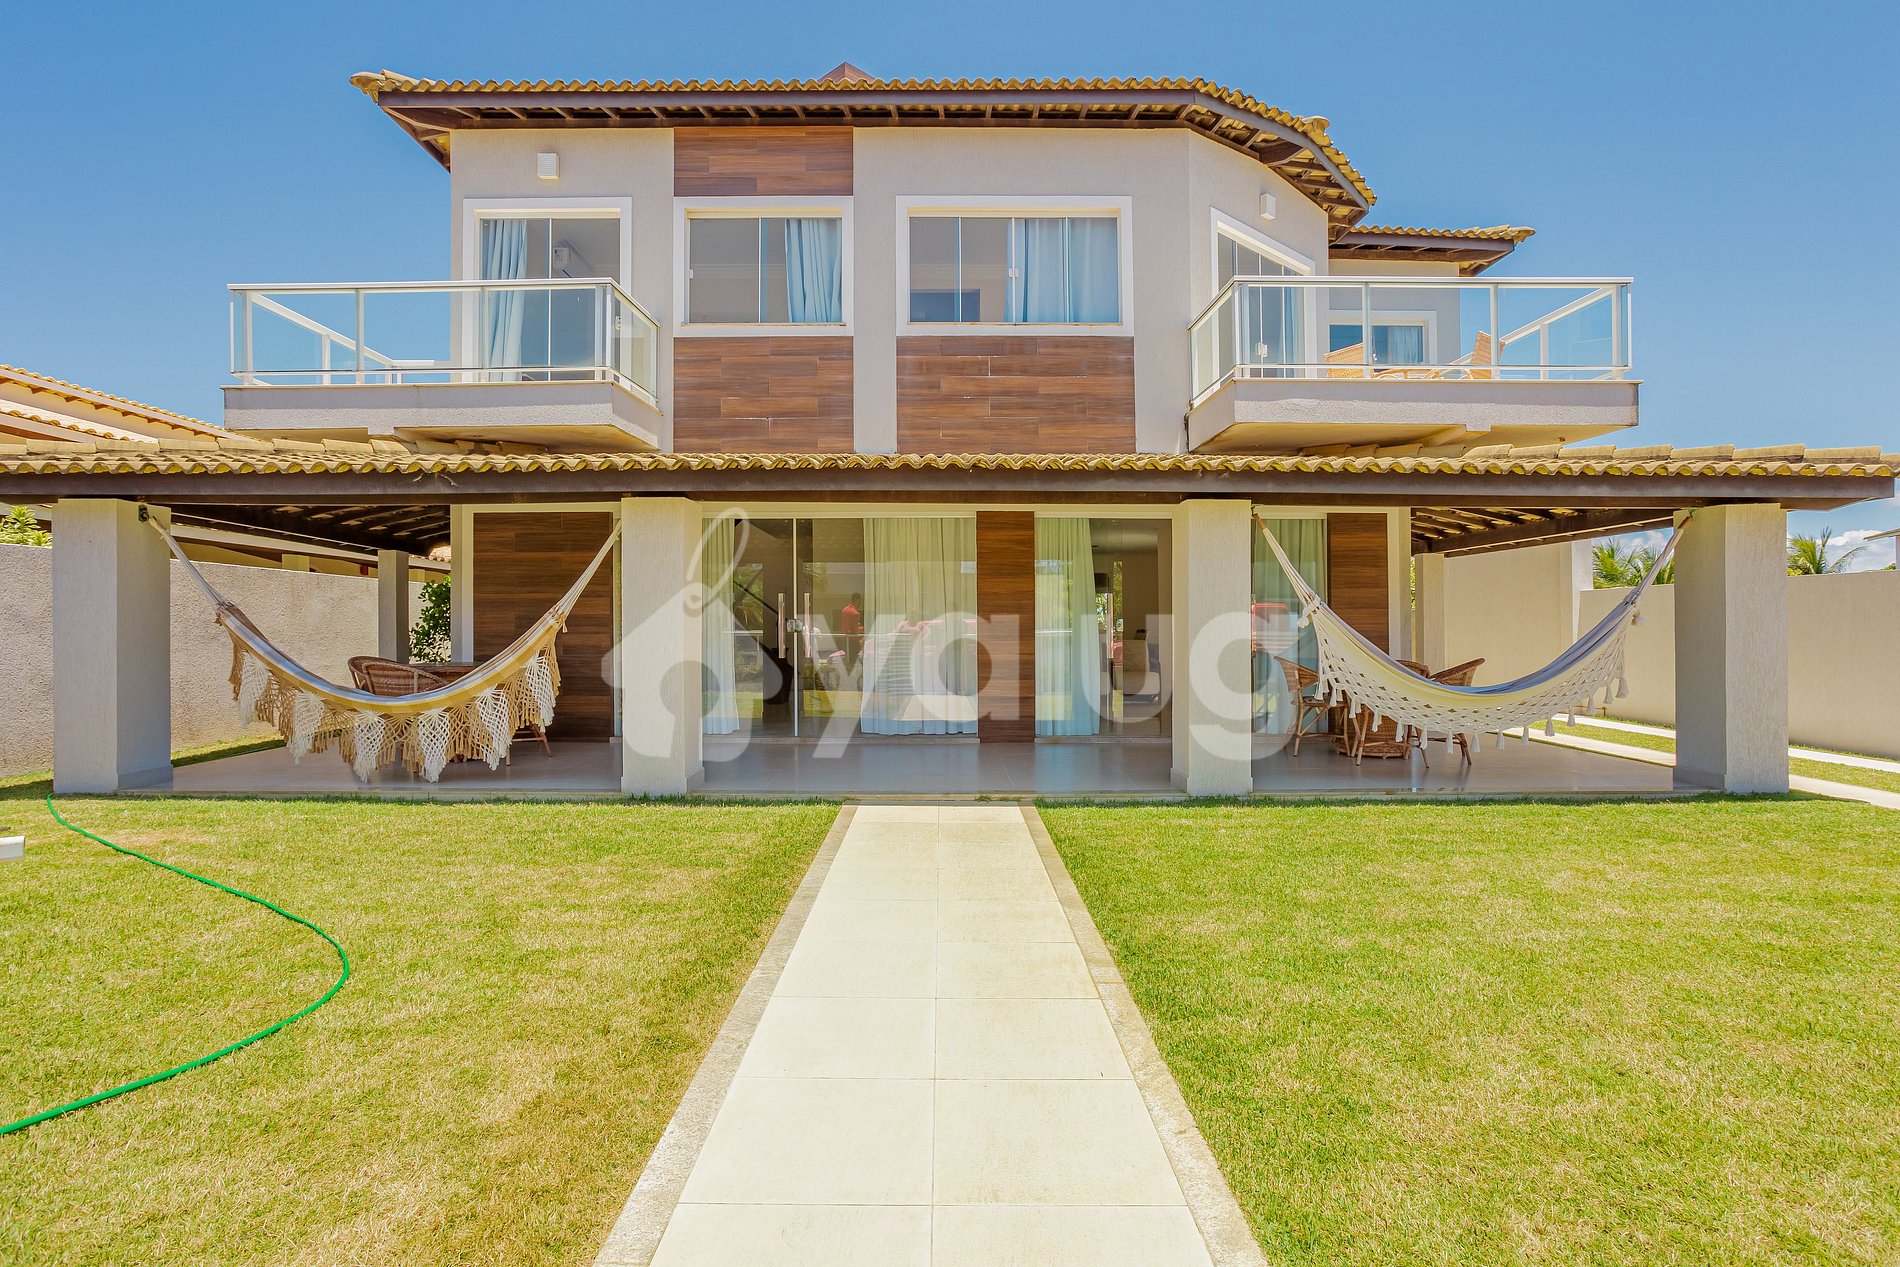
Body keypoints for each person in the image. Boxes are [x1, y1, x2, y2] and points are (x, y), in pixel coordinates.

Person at [839, 592, 864, 671]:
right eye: (860, 601)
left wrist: (859, 628)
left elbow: (847, 626)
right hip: (852, 640)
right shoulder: (855, 613)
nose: (860, 603)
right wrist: (861, 631)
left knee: (847, 660)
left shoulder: (844, 610)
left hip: (844, 639)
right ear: (857, 600)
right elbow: (854, 631)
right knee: (854, 661)